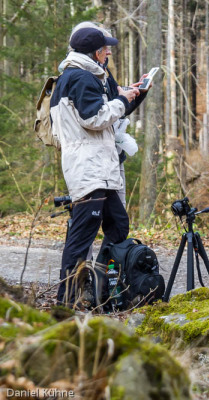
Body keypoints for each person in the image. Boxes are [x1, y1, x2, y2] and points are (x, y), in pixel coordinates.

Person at [51, 27, 140, 307]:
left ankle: (102, 289)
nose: (109, 53)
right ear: (96, 53)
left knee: (118, 226)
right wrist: (121, 102)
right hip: (89, 169)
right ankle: (67, 302)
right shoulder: (79, 77)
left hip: (100, 168)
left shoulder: (82, 76)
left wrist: (123, 100)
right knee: (81, 238)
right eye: (106, 49)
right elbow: (94, 118)